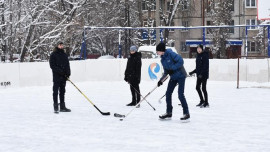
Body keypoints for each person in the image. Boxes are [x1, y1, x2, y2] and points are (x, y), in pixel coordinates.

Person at [156, 42, 190, 121]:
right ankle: (169, 112)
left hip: (181, 75)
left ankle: (186, 113)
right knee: (168, 93)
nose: (157, 52)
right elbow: (166, 72)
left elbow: (181, 61)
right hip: (173, 77)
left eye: (158, 51)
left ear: (161, 50)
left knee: (180, 95)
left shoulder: (171, 54)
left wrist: (172, 68)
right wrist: (161, 81)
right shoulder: (162, 59)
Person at [49, 41, 71, 113]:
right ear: (57, 46)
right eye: (60, 45)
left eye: (62, 45)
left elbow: (67, 65)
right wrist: (60, 71)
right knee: (55, 91)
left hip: (63, 77)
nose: (61, 46)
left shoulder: (64, 55)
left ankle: (62, 106)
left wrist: (68, 73)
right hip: (56, 77)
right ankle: (55, 106)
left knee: (62, 91)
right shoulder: (53, 55)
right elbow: (52, 66)